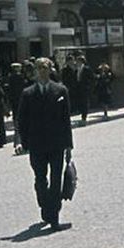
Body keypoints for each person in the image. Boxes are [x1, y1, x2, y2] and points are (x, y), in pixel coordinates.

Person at [18, 58, 73, 232]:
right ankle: (44, 205)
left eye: (45, 67)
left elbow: (66, 120)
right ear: (34, 71)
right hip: (36, 144)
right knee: (40, 180)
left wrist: (69, 145)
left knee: (56, 180)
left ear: (50, 70)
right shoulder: (27, 94)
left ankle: (54, 217)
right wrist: (24, 142)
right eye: (39, 68)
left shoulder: (60, 91)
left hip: (56, 143)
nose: (42, 70)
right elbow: (22, 120)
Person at [6, 63, 28, 153]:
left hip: (14, 103)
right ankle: (20, 142)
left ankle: (17, 142)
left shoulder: (9, 78)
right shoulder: (20, 77)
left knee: (17, 123)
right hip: (21, 102)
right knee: (21, 123)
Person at [73, 55, 93, 125]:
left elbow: (91, 78)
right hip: (78, 89)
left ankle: (84, 117)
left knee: (85, 102)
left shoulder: (86, 69)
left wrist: (88, 86)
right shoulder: (76, 70)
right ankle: (81, 114)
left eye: (78, 61)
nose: (77, 62)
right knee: (80, 102)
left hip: (85, 88)